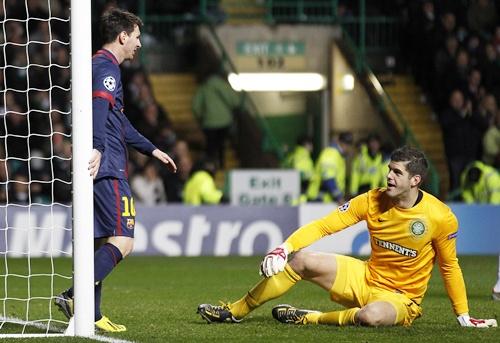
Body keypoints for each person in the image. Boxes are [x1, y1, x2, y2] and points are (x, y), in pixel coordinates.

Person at [197, 146, 497, 328]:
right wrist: (284, 248)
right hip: (366, 276)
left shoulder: (440, 216)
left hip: (400, 299)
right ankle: (234, 311)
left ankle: (309, 317)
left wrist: (463, 314)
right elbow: (325, 225)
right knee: (301, 260)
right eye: (388, 170)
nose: (388, 177)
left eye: (396, 173)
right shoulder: (371, 199)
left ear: (415, 180)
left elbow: (449, 266)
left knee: (370, 317)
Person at [54, 8, 177, 332]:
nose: (138, 44)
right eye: (136, 37)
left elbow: (118, 120)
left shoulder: (94, 65)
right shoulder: (107, 67)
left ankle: (91, 314)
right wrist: (95, 146)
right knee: (123, 241)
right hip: (107, 167)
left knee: (100, 243)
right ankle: (73, 296)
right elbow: (98, 107)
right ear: (123, 36)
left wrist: (152, 149)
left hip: (98, 164)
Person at [459, 161, 500, 302]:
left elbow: (496, 200)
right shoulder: (466, 175)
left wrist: (488, 213)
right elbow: (466, 192)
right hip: (483, 211)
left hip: (493, 210)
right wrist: (475, 210)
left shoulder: (492, 178)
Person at [306, 132, 353, 203]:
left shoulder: (338, 155)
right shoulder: (331, 153)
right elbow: (328, 179)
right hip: (321, 200)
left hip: (327, 200)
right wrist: (339, 198)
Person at [282, 136, 314, 203]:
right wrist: (314, 176)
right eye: (311, 144)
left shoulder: (291, 156)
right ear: (306, 145)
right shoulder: (304, 158)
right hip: (300, 198)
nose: (312, 147)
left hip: (288, 197)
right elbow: (302, 176)